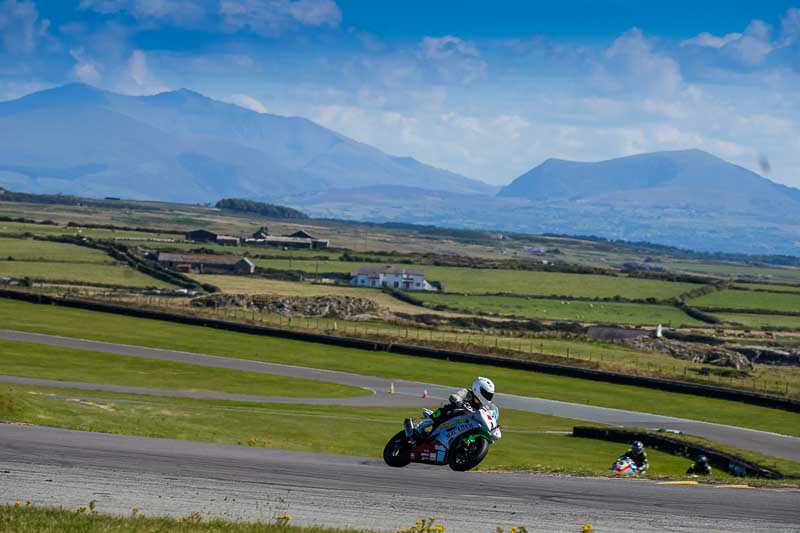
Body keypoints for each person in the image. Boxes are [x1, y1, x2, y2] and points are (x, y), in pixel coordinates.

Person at [404, 377, 495, 443]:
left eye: (490, 395)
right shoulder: (467, 392)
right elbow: (455, 396)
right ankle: (419, 428)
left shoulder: (482, 406)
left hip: (464, 423)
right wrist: (459, 401)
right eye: (486, 394)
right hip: (453, 415)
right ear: (478, 389)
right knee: (445, 410)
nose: (488, 397)